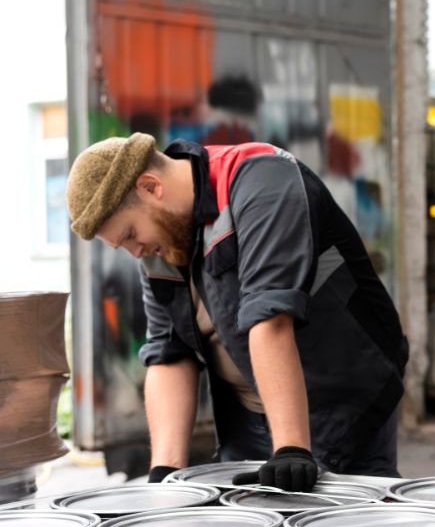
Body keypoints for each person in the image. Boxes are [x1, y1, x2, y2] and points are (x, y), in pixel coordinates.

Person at [66, 133, 408, 491]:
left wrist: (291, 449)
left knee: (351, 525)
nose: (135, 252)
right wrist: (164, 475)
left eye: (131, 234)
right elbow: (169, 354)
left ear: (151, 186)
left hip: (343, 399)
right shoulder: (160, 245)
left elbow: (270, 317)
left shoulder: (263, 183)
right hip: (247, 414)